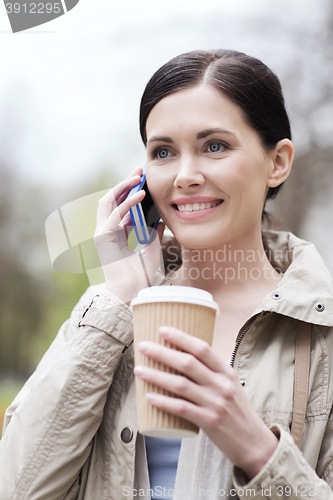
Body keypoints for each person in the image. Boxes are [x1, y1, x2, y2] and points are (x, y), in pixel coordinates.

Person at [1, 49, 333, 500]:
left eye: (214, 146)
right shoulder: (112, 315)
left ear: (278, 163)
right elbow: (16, 488)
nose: (185, 175)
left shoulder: (322, 332)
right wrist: (118, 300)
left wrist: (259, 453)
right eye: (163, 152)